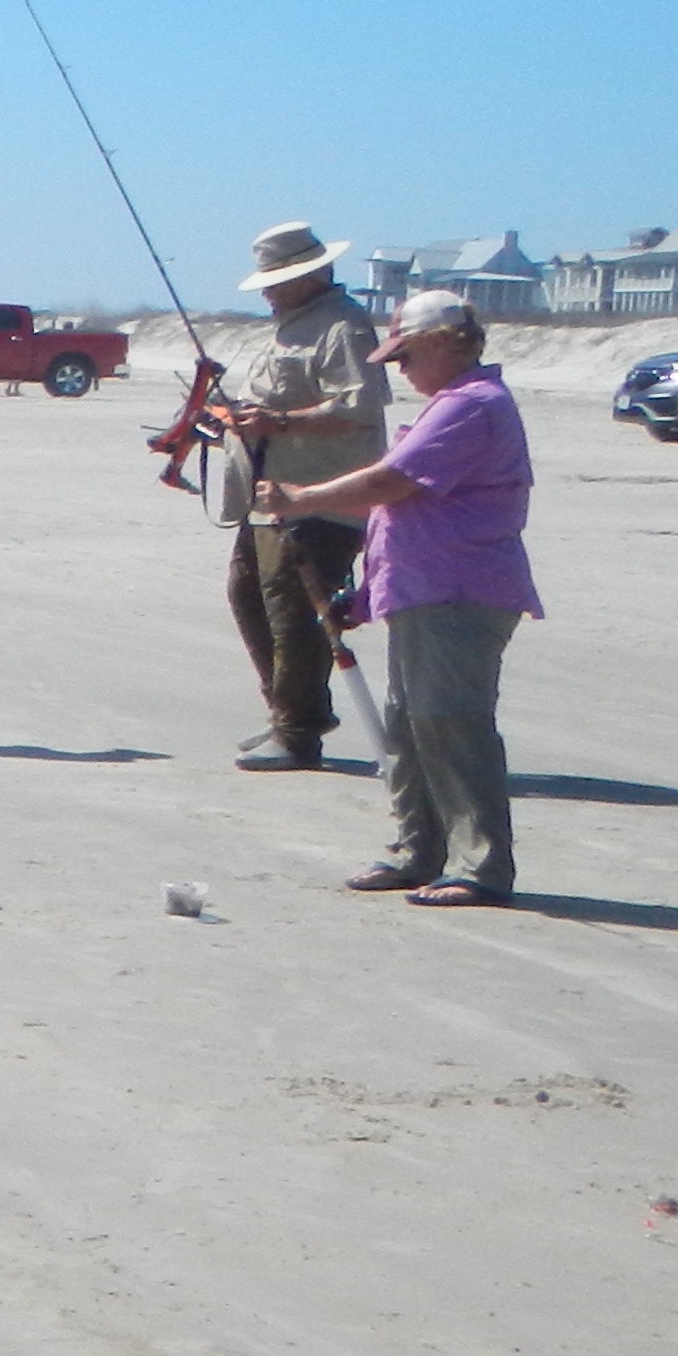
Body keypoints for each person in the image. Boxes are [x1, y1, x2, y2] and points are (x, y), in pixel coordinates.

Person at [257, 287, 533, 907]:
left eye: (405, 355)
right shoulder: (449, 405)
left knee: (451, 723)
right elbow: (396, 503)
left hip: (460, 591)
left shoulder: (472, 405)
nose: (399, 368)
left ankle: (481, 867)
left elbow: (392, 481)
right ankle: (420, 851)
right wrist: (363, 594)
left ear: (443, 344)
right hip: (421, 589)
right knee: (408, 726)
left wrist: (303, 498)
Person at [215, 223, 390, 771]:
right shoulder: (286, 326)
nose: (268, 290)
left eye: (277, 280)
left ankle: (298, 731)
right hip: (267, 495)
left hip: (318, 497)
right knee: (249, 595)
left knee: (296, 610)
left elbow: (358, 407)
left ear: (312, 274)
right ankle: (286, 712)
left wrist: (280, 421)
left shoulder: (343, 327)